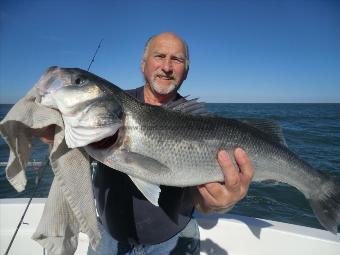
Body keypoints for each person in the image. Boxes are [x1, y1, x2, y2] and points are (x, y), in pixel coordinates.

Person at [39, 32, 254, 255]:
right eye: (159, 56)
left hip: (174, 238)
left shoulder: (201, 122)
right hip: (107, 239)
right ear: (143, 65)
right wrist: (51, 129)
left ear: (186, 71)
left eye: (177, 60)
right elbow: (64, 135)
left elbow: (201, 200)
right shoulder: (115, 101)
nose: (167, 67)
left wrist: (219, 203)